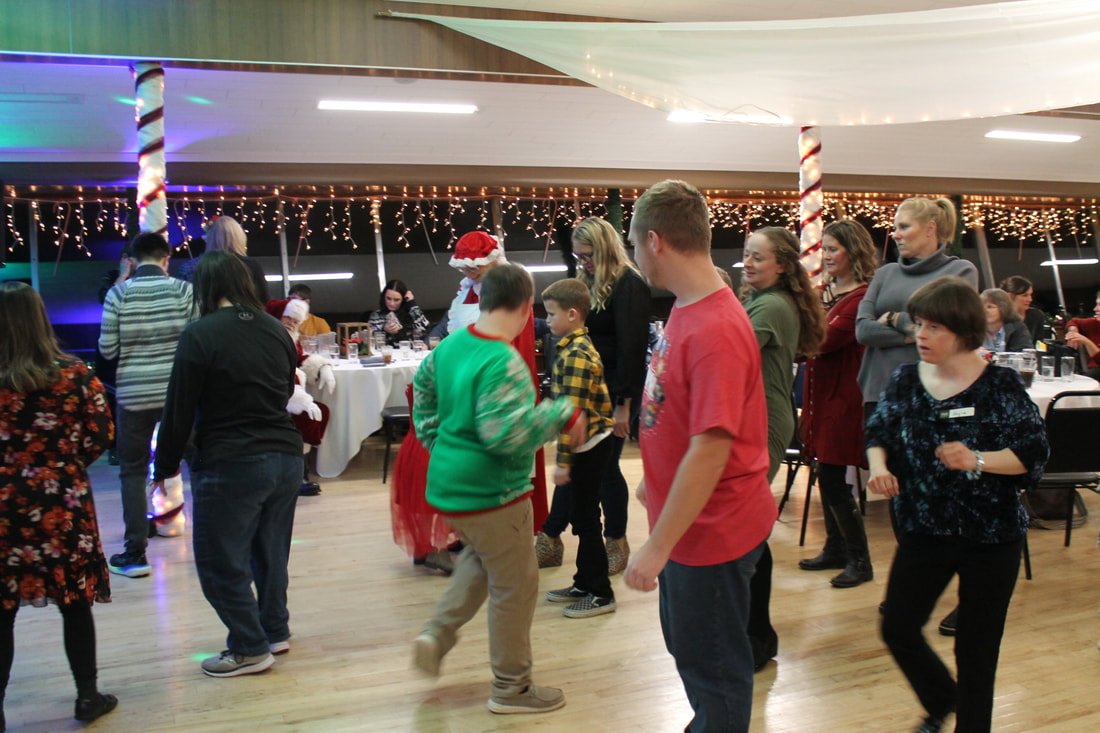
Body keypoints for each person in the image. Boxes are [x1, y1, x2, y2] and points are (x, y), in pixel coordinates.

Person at [623, 180, 776, 732]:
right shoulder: (690, 308)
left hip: (709, 531)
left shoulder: (714, 327)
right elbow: (680, 414)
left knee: (712, 665)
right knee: (693, 650)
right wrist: (655, 482)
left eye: (635, 245)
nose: (636, 257)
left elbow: (711, 451)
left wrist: (656, 545)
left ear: (656, 241)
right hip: (689, 520)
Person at [866, 277, 1048, 733]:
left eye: (934, 327)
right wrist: (879, 465)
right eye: (919, 324)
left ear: (964, 332)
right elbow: (879, 433)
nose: (921, 335)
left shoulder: (1000, 385)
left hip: (991, 535)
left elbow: (1033, 455)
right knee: (898, 628)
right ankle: (941, 697)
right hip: (925, 529)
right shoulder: (906, 379)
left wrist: (978, 459)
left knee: (977, 652)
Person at [410, 263, 585, 715]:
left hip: (452, 486)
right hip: (493, 493)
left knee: (480, 561)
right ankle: (512, 687)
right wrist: (560, 412)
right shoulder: (503, 360)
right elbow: (503, 434)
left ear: (482, 300)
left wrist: (440, 442)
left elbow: (423, 394)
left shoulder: (450, 346)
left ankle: (437, 633)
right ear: (528, 307)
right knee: (516, 587)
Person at [152, 251, 303, 678]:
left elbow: (178, 408)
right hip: (285, 456)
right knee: (270, 553)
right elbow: (284, 391)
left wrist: (163, 468)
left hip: (231, 459)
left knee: (220, 560)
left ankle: (249, 647)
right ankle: (274, 630)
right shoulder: (277, 331)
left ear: (205, 287)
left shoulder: (200, 334)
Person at [391, 231, 550, 572]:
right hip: (461, 396)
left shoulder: (508, 296)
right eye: (464, 270)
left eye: (473, 268)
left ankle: (479, 538)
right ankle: (469, 538)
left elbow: (512, 356)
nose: (469, 275)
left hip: (481, 396)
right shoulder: (468, 294)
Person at [0, 282, 118, 727]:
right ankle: (87, 696)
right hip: (62, 502)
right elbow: (102, 435)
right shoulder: (74, 375)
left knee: (2, 609)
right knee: (74, 602)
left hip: (4, 505)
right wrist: (61, 465)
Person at [537, 217, 650, 575]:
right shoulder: (587, 280)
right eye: (577, 255)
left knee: (603, 470)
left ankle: (610, 538)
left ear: (603, 250)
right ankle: (553, 537)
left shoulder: (629, 284)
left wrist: (624, 407)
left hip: (614, 391)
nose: (582, 261)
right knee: (582, 467)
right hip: (583, 386)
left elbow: (633, 347)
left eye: (587, 255)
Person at [740, 226, 826, 670]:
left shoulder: (771, 305)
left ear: (783, 265)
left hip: (764, 421)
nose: (749, 263)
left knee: (748, 530)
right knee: (749, 529)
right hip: (756, 416)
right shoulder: (759, 300)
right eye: (747, 256)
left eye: (759, 257)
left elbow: (729, 353)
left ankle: (757, 637)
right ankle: (757, 635)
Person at [98, 232, 197, 578]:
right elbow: (196, 341)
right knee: (197, 463)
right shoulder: (185, 291)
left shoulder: (118, 294)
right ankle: (213, 543)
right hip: (177, 395)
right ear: (166, 258)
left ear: (133, 260)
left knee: (132, 470)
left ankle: (135, 552)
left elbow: (108, 349)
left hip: (134, 395)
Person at [799, 219, 879, 588]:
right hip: (822, 393)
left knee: (831, 474)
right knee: (825, 472)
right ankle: (836, 547)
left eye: (833, 249)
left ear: (853, 251)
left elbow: (822, 340)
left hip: (845, 396)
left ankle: (860, 560)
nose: (826, 256)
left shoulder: (862, 297)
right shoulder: (827, 292)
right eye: (824, 249)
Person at [540, 277, 617, 618]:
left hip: (589, 447)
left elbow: (572, 415)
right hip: (589, 445)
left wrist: (563, 463)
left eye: (552, 314)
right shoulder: (574, 347)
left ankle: (600, 592)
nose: (548, 320)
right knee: (582, 516)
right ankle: (584, 582)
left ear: (573, 314)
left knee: (586, 520)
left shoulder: (576, 355)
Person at [264, 298, 335, 497]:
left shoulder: (289, 339)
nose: (291, 323)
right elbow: (276, 373)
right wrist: (299, 399)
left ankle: (300, 474)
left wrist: (323, 367)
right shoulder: (267, 339)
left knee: (319, 413)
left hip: (290, 394)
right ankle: (295, 478)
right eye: (287, 318)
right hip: (273, 398)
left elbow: (301, 359)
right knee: (305, 418)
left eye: (295, 321)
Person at [180, 216, 269, 302]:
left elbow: (187, 300)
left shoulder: (195, 267)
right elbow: (263, 299)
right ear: (240, 237)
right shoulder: (250, 265)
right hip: (246, 315)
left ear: (211, 238)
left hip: (207, 316)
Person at [366, 279, 429, 347]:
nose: (392, 303)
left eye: (396, 300)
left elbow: (426, 330)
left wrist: (411, 303)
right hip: (386, 354)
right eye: (388, 298)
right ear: (384, 297)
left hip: (410, 354)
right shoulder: (376, 315)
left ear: (403, 300)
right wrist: (383, 330)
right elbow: (367, 341)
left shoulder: (411, 312)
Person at [980, 288, 1031, 353]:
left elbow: (1025, 353)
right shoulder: (972, 328)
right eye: (981, 307)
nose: (984, 311)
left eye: (990, 307)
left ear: (1003, 308)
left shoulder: (1017, 327)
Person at [999, 275, 1046, 343]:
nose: (1030, 299)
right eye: (1025, 295)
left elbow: (1039, 345)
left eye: (1030, 295)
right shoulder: (998, 316)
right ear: (1009, 296)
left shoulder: (1036, 316)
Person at [1065, 290, 1100, 379]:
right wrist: (1073, 331)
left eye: (1099, 305)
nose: (1095, 309)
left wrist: (1085, 340)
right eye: (1096, 304)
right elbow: (1073, 321)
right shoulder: (1094, 323)